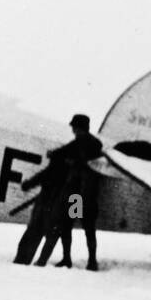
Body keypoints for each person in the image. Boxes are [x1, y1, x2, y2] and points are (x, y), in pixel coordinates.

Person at [35, 113, 104, 270]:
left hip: (78, 195)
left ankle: (67, 258)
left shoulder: (80, 142)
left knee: (67, 225)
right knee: (89, 229)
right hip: (90, 194)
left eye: (74, 127)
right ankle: (92, 261)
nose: (73, 129)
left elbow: (65, 152)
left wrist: (55, 155)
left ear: (78, 127)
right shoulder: (96, 143)